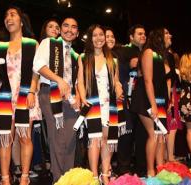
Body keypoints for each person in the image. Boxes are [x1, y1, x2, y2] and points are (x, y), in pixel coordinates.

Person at [0, 6, 40, 185]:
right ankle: (5, 179)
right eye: (6, 16)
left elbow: (37, 71)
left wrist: (33, 91)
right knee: (5, 138)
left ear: (21, 20)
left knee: (25, 137)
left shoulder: (32, 43)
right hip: (4, 96)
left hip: (25, 94)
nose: (8, 18)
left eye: (12, 15)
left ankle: (24, 177)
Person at [33, 17, 81, 183]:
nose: (69, 29)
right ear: (60, 29)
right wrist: (58, 80)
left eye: (74, 27)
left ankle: (68, 178)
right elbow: (38, 65)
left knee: (70, 139)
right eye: (66, 26)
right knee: (57, 139)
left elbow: (76, 81)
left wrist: (78, 96)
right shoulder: (49, 43)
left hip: (70, 98)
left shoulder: (76, 55)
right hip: (51, 92)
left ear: (77, 33)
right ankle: (58, 179)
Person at [77, 24, 122, 185]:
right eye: (94, 35)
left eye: (101, 35)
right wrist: (83, 98)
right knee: (94, 139)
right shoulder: (83, 57)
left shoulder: (113, 59)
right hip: (93, 103)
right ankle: (94, 176)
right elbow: (80, 82)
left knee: (107, 139)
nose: (98, 38)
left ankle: (105, 173)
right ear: (90, 39)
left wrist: (118, 87)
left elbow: (116, 81)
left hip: (109, 104)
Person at [130, 28, 170, 176]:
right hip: (145, 99)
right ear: (158, 37)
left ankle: (160, 168)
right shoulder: (148, 52)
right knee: (152, 134)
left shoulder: (161, 55)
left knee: (160, 135)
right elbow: (147, 80)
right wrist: (153, 105)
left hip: (158, 99)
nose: (169, 36)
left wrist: (165, 103)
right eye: (166, 33)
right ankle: (150, 171)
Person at [117, 24, 147, 176]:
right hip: (127, 99)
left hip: (144, 99)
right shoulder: (123, 51)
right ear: (131, 36)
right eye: (139, 34)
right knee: (127, 134)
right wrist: (128, 65)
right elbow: (117, 73)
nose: (143, 36)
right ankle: (124, 170)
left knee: (143, 135)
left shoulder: (147, 52)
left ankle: (142, 170)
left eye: (144, 34)